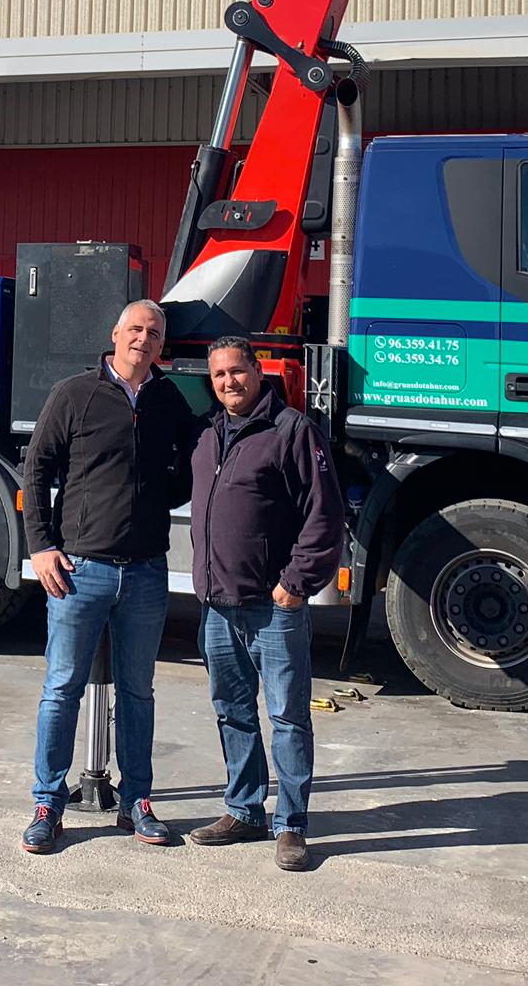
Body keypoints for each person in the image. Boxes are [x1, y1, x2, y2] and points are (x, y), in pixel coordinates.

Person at [19, 299, 200, 854]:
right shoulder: (74, 394)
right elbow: (37, 468)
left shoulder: (170, 400)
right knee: (61, 690)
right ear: (115, 334)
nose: (143, 339)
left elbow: (187, 469)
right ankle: (48, 802)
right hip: (79, 572)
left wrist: (152, 506)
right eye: (135, 329)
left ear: (161, 346)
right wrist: (42, 547)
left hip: (145, 573)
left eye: (154, 333)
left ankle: (136, 801)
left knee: (138, 693)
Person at [185, 335, 344, 872]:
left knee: (288, 717)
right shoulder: (208, 435)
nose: (230, 382)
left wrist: (296, 583)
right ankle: (244, 810)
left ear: (258, 370)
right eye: (219, 375)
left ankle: (291, 825)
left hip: (272, 608)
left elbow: (324, 517)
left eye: (238, 371)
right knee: (232, 711)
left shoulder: (292, 431)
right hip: (217, 604)